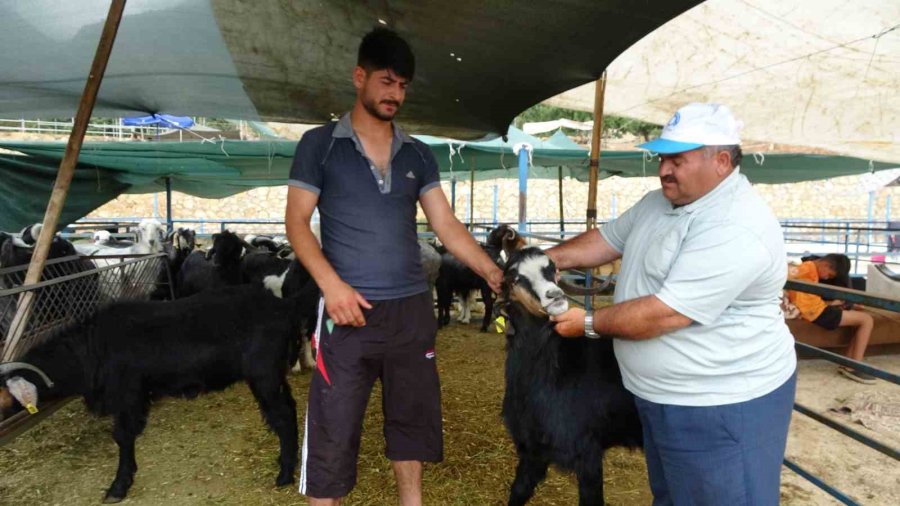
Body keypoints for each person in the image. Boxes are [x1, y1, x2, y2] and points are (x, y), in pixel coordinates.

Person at [285, 28, 502, 506]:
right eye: (386, 82)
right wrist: (332, 287)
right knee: (332, 429)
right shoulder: (319, 145)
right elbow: (296, 222)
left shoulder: (418, 153)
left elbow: (445, 224)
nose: (395, 94)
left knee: (412, 424)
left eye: (402, 86)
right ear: (359, 77)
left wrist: (491, 271)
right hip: (348, 311)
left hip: (410, 311)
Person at [546, 103, 797, 505]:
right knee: (675, 496)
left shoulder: (736, 224)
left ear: (721, 161)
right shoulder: (657, 202)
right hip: (661, 397)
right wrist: (543, 260)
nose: (664, 170)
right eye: (662, 158)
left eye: (677, 160)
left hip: (719, 405)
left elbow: (665, 313)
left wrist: (587, 323)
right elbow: (605, 241)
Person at [787, 254, 875, 384]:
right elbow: (807, 304)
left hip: (817, 310)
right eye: (829, 274)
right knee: (867, 320)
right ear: (826, 265)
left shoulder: (808, 268)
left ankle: (848, 364)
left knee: (861, 319)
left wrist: (835, 304)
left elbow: (807, 298)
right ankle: (854, 367)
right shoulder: (807, 270)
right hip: (818, 314)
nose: (827, 278)